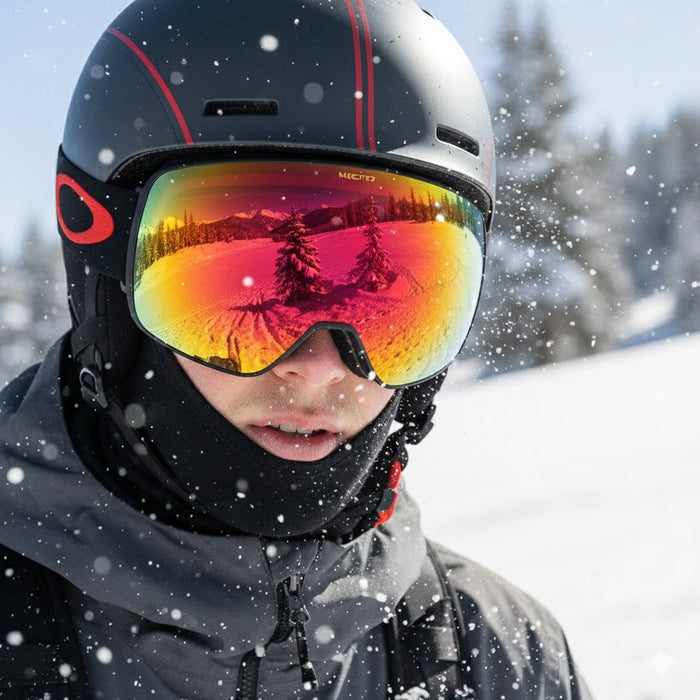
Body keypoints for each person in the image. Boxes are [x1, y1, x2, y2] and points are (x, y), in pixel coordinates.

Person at [0, 1, 593, 698]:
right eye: (237, 282)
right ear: (108, 280)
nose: (319, 370)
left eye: (390, 306)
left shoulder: (498, 659)